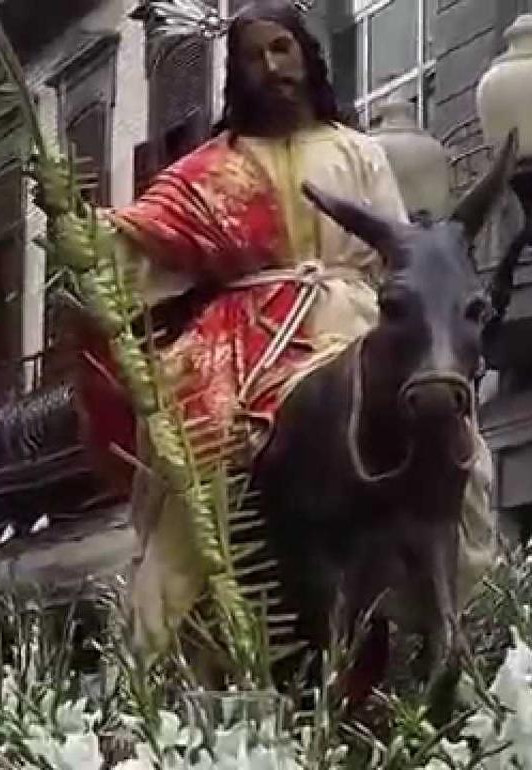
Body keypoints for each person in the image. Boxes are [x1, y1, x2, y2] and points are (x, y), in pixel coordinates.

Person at [87, 0, 495, 652]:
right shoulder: (212, 168)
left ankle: (452, 594)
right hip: (239, 332)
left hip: (350, 314)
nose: (270, 66)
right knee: (187, 462)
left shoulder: (358, 152)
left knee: (455, 439)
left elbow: (403, 252)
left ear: (306, 55)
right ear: (236, 72)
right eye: (253, 55)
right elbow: (142, 239)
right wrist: (87, 234)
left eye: (281, 48)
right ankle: (159, 631)